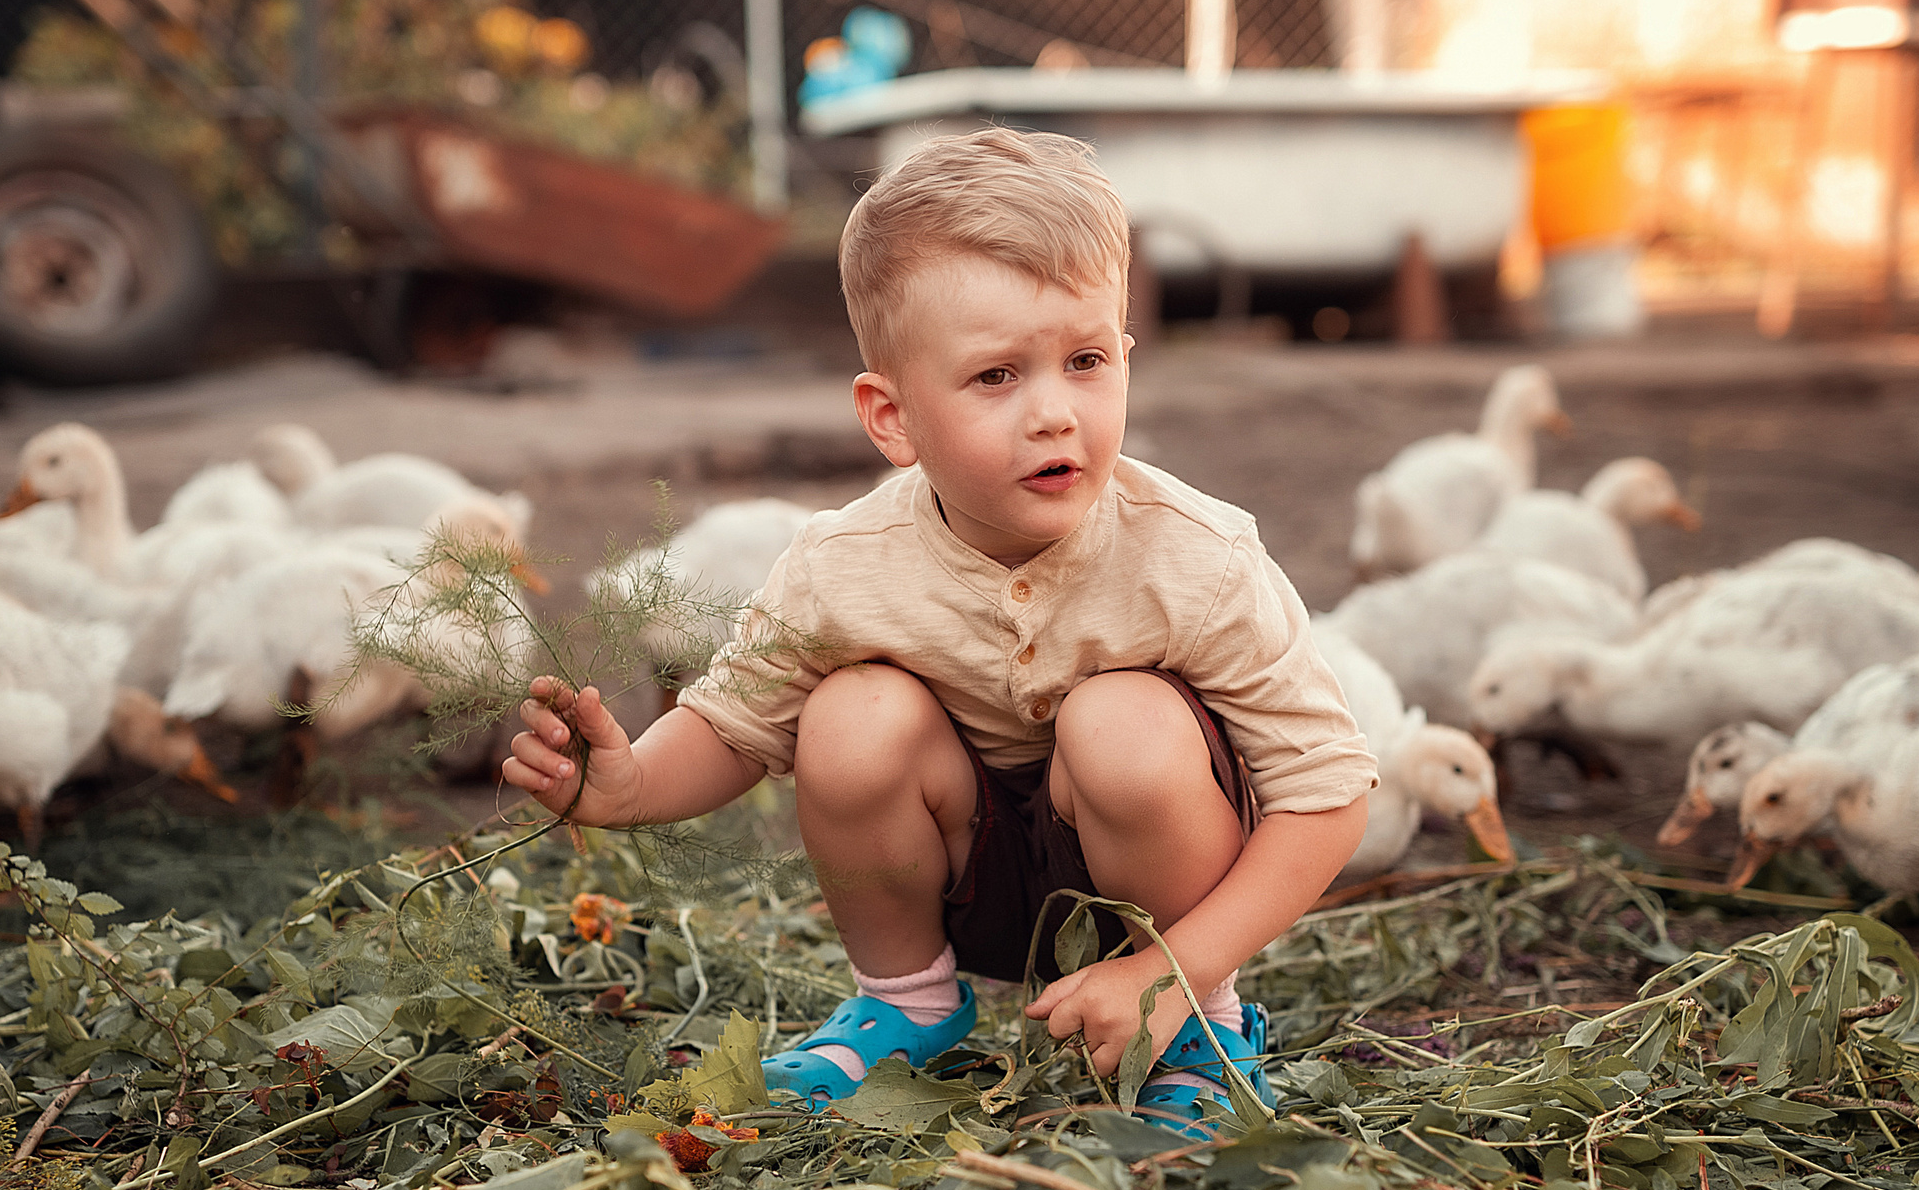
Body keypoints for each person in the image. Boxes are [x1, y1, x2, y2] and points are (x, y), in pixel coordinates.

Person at [505, 128, 1375, 1135]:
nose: (1054, 413)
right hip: (968, 888)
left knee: (1123, 722)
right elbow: (736, 725)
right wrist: (632, 788)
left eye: (1086, 360)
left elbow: (1327, 793)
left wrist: (1179, 969)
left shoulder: (1197, 558)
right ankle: (908, 1003)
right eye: (996, 376)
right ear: (893, 417)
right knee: (850, 713)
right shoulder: (841, 565)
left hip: (1156, 904)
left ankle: (1197, 1033)